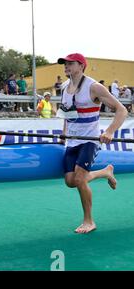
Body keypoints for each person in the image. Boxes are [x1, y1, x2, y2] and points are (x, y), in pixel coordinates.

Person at [57, 53, 128, 234]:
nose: (66, 66)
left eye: (70, 63)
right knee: (70, 181)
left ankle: (89, 221)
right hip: (73, 141)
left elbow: (122, 110)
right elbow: (66, 113)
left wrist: (110, 131)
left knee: (80, 179)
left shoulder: (94, 87)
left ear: (81, 66)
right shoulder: (65, 88)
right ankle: (105, 172)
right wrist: (64, 134)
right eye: (64, 63)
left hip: (89, 140)